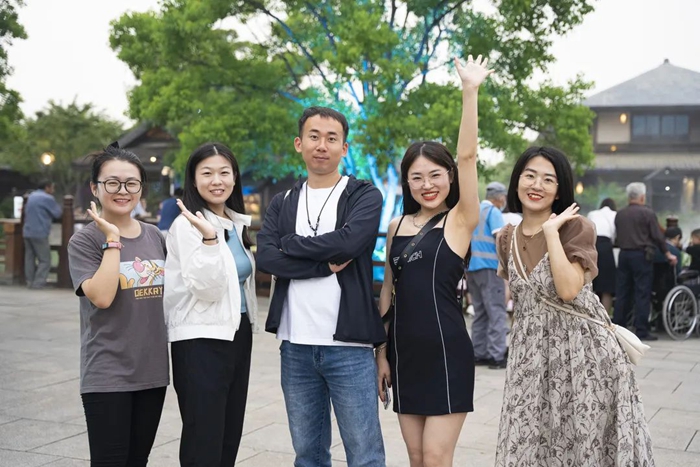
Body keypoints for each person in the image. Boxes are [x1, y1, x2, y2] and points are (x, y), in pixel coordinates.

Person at [494, 147, 655, 466]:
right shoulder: (506, 237)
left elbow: (568, 290)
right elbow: (520, 299)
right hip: (530, 359)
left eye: (548, 179)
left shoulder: (577, 228)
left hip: (583, 356)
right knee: (529, 443)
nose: (536, 185)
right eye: (529, 175)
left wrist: (551, 234)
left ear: (559, 190)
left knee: (580, 444)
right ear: (517, 182)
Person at [375, 55, 491, 467]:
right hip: (403, 353)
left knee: (437, 457)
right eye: (417, 177)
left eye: (436, 174)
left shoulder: (460, 220)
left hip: (446, 351)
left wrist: (469, 92)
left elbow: (468, 157)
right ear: (406, 181)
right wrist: (381, 354)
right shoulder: (396, 225)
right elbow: (388, 291)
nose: (427, 184)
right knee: (416, 457)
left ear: (450, 176)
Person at [256, 107, 386, 467]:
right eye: (314, 136)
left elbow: (350, 242)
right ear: (299, 144)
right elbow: (266, 258)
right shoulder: (283, 201)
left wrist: (291, 244)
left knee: (365, 455)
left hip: (349, 348)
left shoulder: (363, 195)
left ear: (345, 148)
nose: (322, 145)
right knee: (308, 455)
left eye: (332, 138)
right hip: (295, 345)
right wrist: (321, 266)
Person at [67, 144, 169, 467]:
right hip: (107, 372)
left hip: (152, 372)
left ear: (141, 189)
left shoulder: (155, 236)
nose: (122, 190)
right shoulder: (84, 241)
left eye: (131, 183)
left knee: (138, 460)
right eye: (112, 182)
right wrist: (112, 239)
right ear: (95, 188)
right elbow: (102, 296)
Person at [164, 142, 258, 466]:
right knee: (203, 436)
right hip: (200, 339)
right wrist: (208, 239)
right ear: (193, 180)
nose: (216, 181)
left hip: (236, 333)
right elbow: (206, 288)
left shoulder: (234, 221)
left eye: (224, 172)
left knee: (229, 432)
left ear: (234, 178)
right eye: (207, 173)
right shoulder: (187, 225)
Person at [613, 182, 676, 341]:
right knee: (642, 292)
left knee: (622, 292)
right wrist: (668, 253)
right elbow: (657, 236)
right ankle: (641, 330)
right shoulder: (647, 213)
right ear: (642, 197)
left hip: (624, 255)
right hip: (642, 256)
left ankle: (618, 327)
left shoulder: (620, 214)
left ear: (629, 197)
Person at [467, 181, 508, 369]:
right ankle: (496, 356)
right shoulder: (494, 212)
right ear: (499, 197)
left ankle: (478, 353)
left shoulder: (474, 211)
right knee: (496, 312)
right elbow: (501, 240)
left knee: (480, 313)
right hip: (491, 268)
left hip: (472, 268)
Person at [22, 180, 62, 289]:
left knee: (29, 258)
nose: (53, 190)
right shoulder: (47, 198)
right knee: (45, 260)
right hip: (39, 232)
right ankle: (38, 283)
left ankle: (29, 281)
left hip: (27, 231)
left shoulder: (31, 196)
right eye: (52, 187)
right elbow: (57, 213)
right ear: (47, 187)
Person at [587, 197, 617, 312]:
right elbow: (615, 235)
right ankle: (605, 316)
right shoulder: (615, 214)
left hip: (591, 245)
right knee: (607, 286)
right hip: (606, 247)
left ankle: (589, 313)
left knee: (590, 283)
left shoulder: (592, 213)